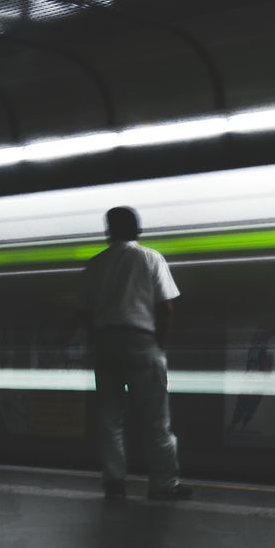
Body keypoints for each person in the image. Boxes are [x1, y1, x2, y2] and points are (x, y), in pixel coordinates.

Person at [77, 206, 192, 502]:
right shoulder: (150, 257)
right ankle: (163, 483)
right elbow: (166, 307)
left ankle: (114, 483)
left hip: (105, 342)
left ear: (108, 231)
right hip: (141, 340)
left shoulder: (95, 264)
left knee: (110, 418)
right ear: (137, 230)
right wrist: (159, 344)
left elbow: (84, 312)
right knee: (155, 417)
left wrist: (96, 340)